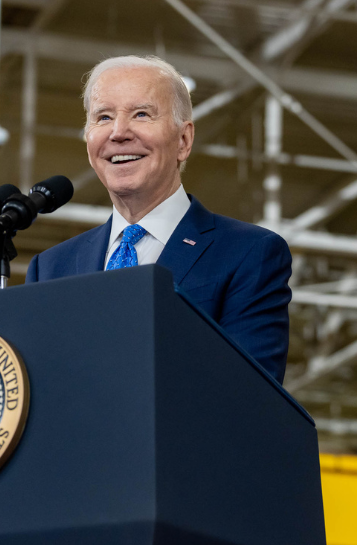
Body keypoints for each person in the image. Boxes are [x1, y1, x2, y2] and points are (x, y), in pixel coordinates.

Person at [26, 55, 292, 384]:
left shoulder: (249, 253)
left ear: (183, 140)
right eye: (103, 116)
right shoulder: (51, 269)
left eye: (141, 114)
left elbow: (250, 396)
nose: (119, 132)